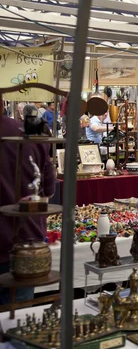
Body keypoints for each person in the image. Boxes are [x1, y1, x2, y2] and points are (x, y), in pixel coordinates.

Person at [0, 106, 55, 304]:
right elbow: (49, 188)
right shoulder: (28, 135)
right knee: (19, 323)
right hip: (26, 241)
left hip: (20, 242)